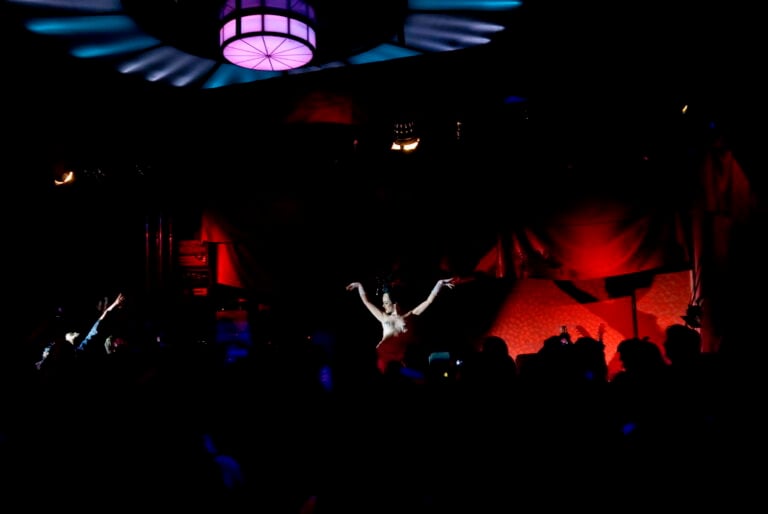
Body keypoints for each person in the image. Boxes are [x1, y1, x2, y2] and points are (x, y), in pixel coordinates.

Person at [345, 277, 456, 374]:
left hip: (400, 358)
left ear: (395, 303)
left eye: (386, 302)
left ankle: (450, 359)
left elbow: (428, 301)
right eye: (383, 302)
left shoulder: (409, 315)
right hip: (383, 355)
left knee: (420, 372)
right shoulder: (384, 317)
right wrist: (359, 285)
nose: (383, 305)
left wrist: (439, 283)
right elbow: (367, 302)